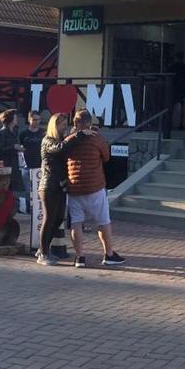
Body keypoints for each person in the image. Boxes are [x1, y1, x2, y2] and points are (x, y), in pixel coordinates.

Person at [66, 109, 125, 268]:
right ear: (89, 123)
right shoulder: (96, 138)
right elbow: (106, 156)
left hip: (74, 186)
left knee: (76, 223)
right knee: (103, 221)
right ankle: (109, 254)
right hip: (94, 185)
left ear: (75, 123)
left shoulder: (69, 139)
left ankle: (80, 258)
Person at [37, 113, 77, 266]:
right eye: (62, 125)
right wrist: (75, 135)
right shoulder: (48, 140)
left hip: (59, 185)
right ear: (55, 126)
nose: (64, 127)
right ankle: (43, 252)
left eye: (65, 124)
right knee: (49, 218)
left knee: (59, 217)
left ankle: (43, 247)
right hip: (48, 185)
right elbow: (60, 148)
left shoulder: (61, 140)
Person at [18, 110, 45, 213]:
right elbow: (19, 147)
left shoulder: (43, 133)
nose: (36, 122)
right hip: (26, 165)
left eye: (38, 120)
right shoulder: (23, 134)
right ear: (29, 120)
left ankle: (40, 209)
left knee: (40, 189)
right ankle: (29, 208)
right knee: (28, 190)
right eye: (34, 120)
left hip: (40, 165)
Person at [0, 109, 26, 194]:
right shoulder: (2, 133)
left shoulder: (15, 132)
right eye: (15, 117)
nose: (17, 119)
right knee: (5, 189)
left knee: (15, 190)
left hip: (15, 164)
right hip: (6, 165)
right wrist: (13, 147)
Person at [168, 52, 185, 129]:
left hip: (173, 88)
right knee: (180, 106)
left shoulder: (172, 67)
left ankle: (170, 124)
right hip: (182, 88)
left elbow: (168, 74)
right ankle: (179, 124)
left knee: (171, 106)